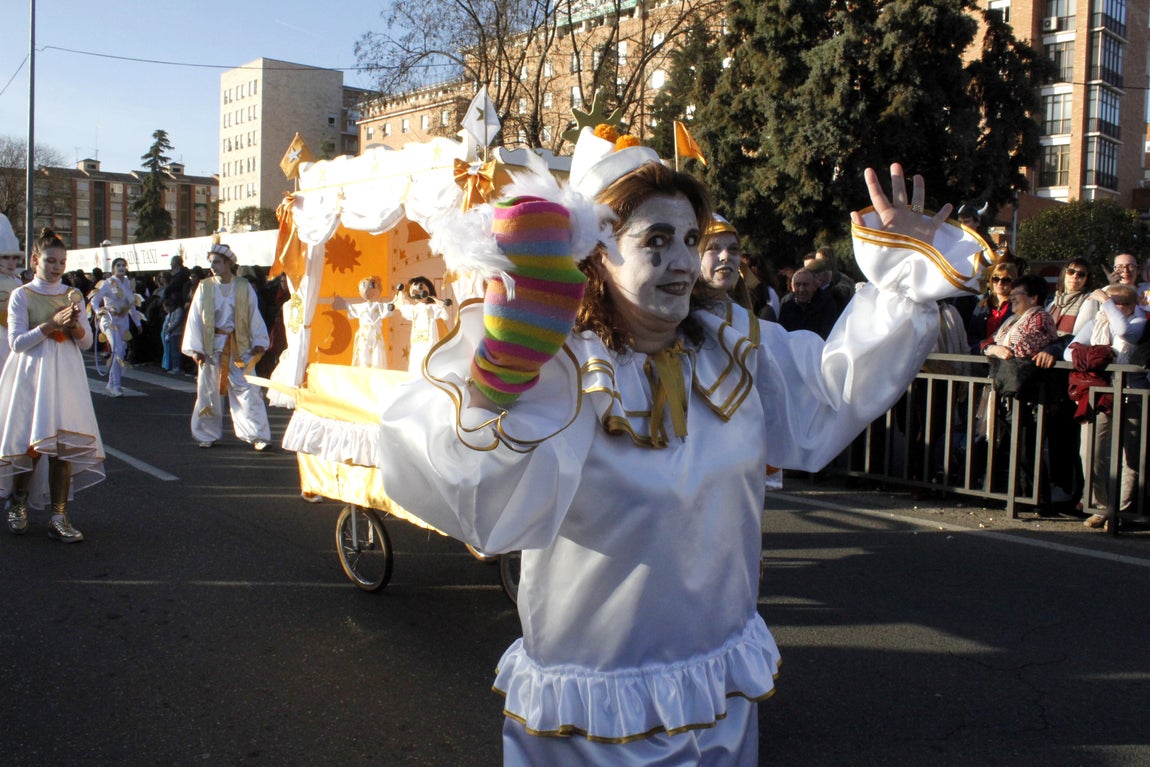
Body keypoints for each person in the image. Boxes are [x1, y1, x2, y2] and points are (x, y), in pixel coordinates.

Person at [372, 121, 985, 766]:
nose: (685, 262)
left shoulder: (733, 346)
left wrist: (901, 280)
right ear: (598, 254)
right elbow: (475, 502)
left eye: (691, 239)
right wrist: (500, 378)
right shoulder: (559, 368)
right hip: (593, 710)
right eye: (656, 241)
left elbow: (834, 394)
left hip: (716, 689)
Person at [0, 227, 104, 542]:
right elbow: (17, 343)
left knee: (64, 447)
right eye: (50, 261)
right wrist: (50, 325)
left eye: (62, 261)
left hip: (67, 377)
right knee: (32, 445)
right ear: (35, 260)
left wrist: (74, 329)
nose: (57, 267)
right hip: (33, 376)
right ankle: (18, 502)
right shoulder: (22, 294)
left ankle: (59, 515)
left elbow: (86, 343)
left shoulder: (73, 295)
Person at [1065, 283, 1147, 528]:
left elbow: (1124, 331)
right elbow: (1069, 353)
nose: (1119, 307)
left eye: (1124, 303)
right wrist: (1093, 355)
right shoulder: (1096, 323)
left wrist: (1108, 303)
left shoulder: (1139, 323)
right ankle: (1099, 505)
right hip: (1100, 395)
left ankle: (1121, 511)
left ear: (1134, 306)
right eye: (1115, 302)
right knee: (1090, 452)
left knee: (1131, 457)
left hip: (1133, 395)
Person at [181, 241, 271, 450]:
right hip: (212, 348)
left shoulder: (243, 286)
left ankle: (257, 434)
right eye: (211, 262)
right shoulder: (205, 287)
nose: (213, 266)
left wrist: (259, 341)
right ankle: (206, 433)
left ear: (229, 263)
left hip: (240, 348)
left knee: (248, 389)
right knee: (208, 391)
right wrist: (196, 348)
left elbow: (253, 314)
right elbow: (194, 318)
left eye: (217, 262)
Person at [88, 257, 143, 397]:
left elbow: (131, 306)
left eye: (123, 265)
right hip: (109, 320)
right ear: (113, 268)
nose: (121, 267)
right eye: (118, 265)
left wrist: (137, 323)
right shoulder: (107, 283)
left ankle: (112, 382)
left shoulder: (128, 284)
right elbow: (95, 301)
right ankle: (116, 385)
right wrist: (99, 310)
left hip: (123, 321)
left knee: (121, 352)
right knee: (117, 350)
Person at [334, 275, 394, 368]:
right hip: (364, 334)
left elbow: (389, 308)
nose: (368, 291)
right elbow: (350, 307)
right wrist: (343, 304)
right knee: (363, 353)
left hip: (375, 335)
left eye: (372, 287)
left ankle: (377, 369)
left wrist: (394, 304)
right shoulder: (361, 306)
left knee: (376, 353)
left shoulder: (379, 306)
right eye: (364, 287)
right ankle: (362, 369)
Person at [393, 275, 450, 374]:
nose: (415, 291)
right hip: (417, 341)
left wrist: (432, 297)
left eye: (420, 287)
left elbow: (443, 311)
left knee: (429, 360)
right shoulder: (414, 309)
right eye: (412, 289)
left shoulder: (431, 307)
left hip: (430, 340)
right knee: (416, 360)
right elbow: (402, 306)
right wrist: (401, 292)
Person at [966, 261, 1017, 353]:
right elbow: (971, 336)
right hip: (981, 357)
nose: (1000, 283)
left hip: (1007, 357)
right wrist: (985, 347)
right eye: (996, 279)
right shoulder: (981, 305)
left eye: (1006, 280)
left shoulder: (1017, 307)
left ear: (1013, 282)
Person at [777, 266, 839, 338]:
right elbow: (781, 333)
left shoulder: (827, 303)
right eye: (798, 285)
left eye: (805, 285)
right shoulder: (787, 304)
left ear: (815, 286)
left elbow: (827, 333)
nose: (801, 289)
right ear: (793, 287)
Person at [0, 212, 24, 369]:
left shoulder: (18, 281)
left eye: (14, 257)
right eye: (5, 257)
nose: (11, 262)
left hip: (13, 337)